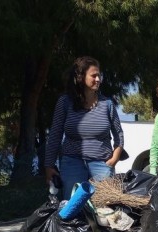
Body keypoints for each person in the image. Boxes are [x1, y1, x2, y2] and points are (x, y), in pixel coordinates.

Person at [44, 56, 124, 199]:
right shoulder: (64, 102)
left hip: (102, 164)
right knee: (73, 209)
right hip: (71, 164)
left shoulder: (107, 104)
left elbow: (119, 134)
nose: (98, 79)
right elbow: (55, 135)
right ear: (81, 77)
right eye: (94, 75)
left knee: (104, 210)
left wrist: (115, 158)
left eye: (99, 75)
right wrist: (49, 166)